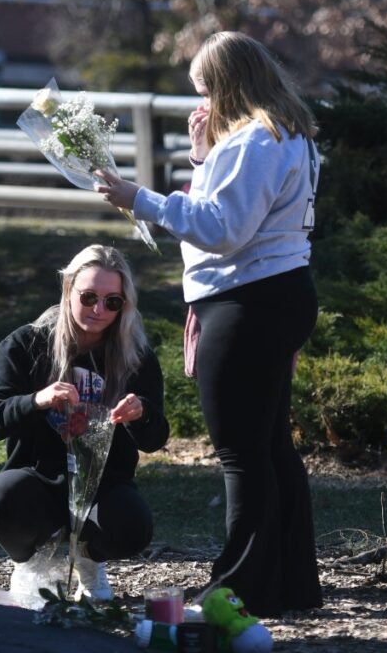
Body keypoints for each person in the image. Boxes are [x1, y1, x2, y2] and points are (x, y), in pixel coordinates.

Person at [95, 31, 322, 616]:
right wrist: (201, 157)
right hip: (280, 293)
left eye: (205, 90)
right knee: (272, 448)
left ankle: (240, 585)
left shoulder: (254, 142)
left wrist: (138, 197)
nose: (202, 101)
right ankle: (292, 580)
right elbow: (240, 208)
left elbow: (223, 229)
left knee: (240, 452)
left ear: (229, 86)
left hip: (247, 302)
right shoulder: (287, 135)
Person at [0, 245, 169, 601]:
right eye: (89, 296)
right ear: (67, 290)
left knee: (133, 525)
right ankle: (30, 564)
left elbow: (155, 438)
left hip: (103, 484)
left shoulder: (135, 355)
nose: (98, 310)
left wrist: (143, 414)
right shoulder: (27, 343)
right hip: (38, 475)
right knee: (1, 499)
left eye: (112, 302)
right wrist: (35, 400)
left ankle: (90, 561)